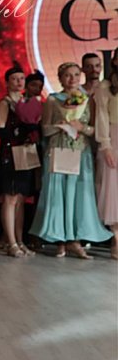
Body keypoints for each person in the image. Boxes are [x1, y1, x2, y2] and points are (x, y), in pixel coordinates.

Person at [30, 62, 112, 257]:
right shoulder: (53, 100)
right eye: (67, 75)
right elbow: (45, 130)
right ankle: (60, 239)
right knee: (59, 194)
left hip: (80, 152)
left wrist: (82, 128)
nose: (72, 79)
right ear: (60, 78)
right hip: (58, 150)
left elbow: (95, 130)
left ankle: (75, 240)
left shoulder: (88, 100)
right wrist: (59, 126)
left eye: (76, 74)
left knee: (79, 194)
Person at [0, 67, 39, 257]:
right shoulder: (5, 103)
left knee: (20, 199)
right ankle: (10, 242)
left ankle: (19, 240)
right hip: (9, 154)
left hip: (25, 152)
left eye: (22, 78)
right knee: (10, 198)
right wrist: (21, 130)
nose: (19, 82)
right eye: (14, 78)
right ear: (7, 82)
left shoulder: (26, 101)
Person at [93, 48, 118, 259]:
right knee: (113, 189)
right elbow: (101, 116)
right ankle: (116, 239)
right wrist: (106, 144)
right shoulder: (105, 87)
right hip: (113, 138)